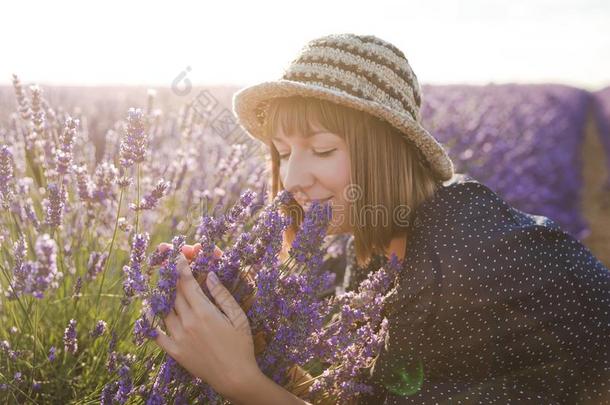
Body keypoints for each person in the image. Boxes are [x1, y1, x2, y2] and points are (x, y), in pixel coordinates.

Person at [152, 33, 610, 404]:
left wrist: (239, 381)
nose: (291, 177)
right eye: (284, 152)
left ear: (388, 150)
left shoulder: (462, 261)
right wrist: (250, 323)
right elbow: (353, 399)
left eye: (324, 149)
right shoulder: (380, 244)